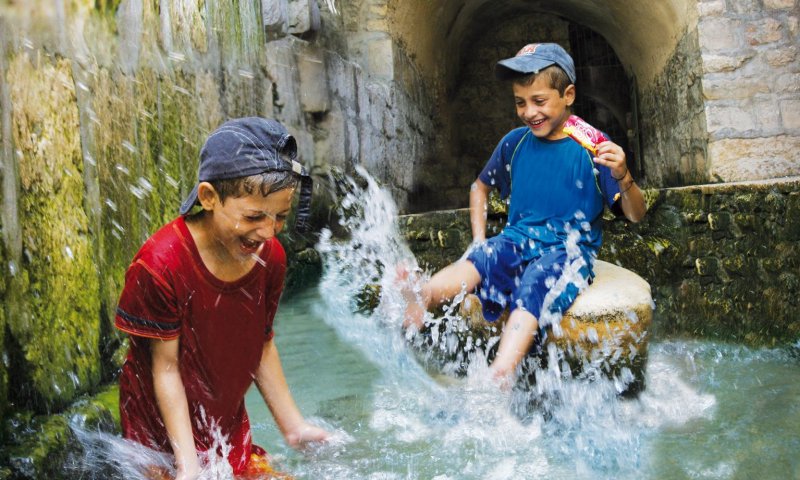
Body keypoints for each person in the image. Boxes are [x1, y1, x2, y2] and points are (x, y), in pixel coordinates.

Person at [401, 43, 647, 388]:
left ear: (568, 95)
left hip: (566, 251)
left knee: (535, 285)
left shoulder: (593, 147)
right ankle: (423, 294)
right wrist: (478, 239)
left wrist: (623, 176)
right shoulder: (514, 142)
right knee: (485, 256)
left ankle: (501, 373)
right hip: (518, 239)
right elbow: (479, 188)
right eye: (520, 102)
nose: (529, 112)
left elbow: (636, 214)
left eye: (539, 101)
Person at [115, 117, 330, 479]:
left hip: (224, 433)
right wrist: (187, 467)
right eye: (254, 216)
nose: (267, 232)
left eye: (280, 217)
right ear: (209, 198)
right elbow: (165, 369)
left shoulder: (270, 258)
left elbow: (261, 343)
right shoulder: (160, 265)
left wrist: (294, 426)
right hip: (158, 442)